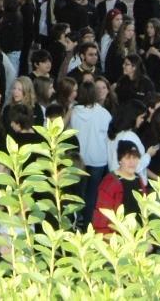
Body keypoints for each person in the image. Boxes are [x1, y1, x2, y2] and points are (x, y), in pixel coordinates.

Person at [70, 80, 112, 227]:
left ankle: (75, 221)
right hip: (98, 159)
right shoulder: (104, 114)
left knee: (76, 193)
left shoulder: (74, 112)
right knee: (92, 194)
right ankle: (88, 224)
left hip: (79, 159)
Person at [92, 140, 149, 234]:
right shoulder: (110, 182)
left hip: (137, 236)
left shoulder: (138, 179)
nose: (132, 162)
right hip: (118, 236)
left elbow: (145, 209)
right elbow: (101, 215)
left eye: (135, 157)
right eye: (127, 158)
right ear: (120, 160)